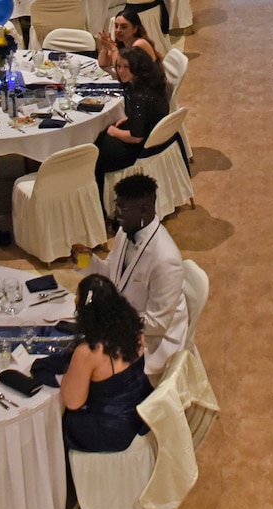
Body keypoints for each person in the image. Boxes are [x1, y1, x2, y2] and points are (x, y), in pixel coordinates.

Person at [77, 174, 189, 378]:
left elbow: (157, 324)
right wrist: (85, 261)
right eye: (116, 205)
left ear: (144, 210)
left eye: (123, 209)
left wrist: (111, 317)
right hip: (126, 326)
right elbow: (111, 278)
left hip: (152, 344)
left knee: (88, 364)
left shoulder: (166, 259)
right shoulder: (125, 232)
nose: (116, 214)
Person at [42, 275, 152, 453]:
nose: (75, 302)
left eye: (77, 298)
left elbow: (73, 402)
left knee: (55, 424)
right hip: (140, 413)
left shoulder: (89, 352)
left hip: (112, 430)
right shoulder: (135, 329)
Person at [94, 47, 169, 197]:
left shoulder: (138, 94)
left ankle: (100, 201)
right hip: (153, 134)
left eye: (126, 67)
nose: (121, 71)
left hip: (140, 146)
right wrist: (130, 119)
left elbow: (136, 137)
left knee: (94, 152)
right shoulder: (150, 83)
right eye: (119, 66)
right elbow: (148, 113)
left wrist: (114, 132)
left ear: (138, 67)